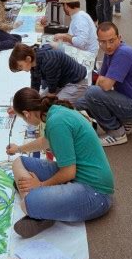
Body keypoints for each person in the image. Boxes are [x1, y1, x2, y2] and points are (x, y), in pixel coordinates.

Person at [6, 88, 114, 238]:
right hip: (78, 178)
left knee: (26, 204)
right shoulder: (55, 112)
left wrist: (41, 185)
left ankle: (40, 209)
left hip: (96, 194)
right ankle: (44, 209)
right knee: (18, 163)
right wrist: (19, 149)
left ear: (27, 114)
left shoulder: (56, 123)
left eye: (23, 119)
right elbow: (44, 142)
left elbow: (69, 172)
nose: (26, 122)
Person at [76, 22, 132, 147]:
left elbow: (105, 86)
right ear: (98, 41)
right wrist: (103, 81)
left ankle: (117, 133)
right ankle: (124, 122)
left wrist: (103, 81)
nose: (108, 46)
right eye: (103, 42)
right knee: (80, 103)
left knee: (92, 93)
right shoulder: (109, 53)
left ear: (119, 38)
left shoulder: (123, 53)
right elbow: (100, 80)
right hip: (125, 100)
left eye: (111, 41)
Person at [9, 42, 88, 102]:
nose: (21, 69)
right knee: (39, 100)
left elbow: (52, 93)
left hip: (76, 83)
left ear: (28, 59)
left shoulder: (49, 61)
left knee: (54, 107)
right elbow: (35, 84)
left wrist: (36, 104)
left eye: (20, 66)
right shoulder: (34, 61)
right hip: (61, 82)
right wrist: (22, 106)